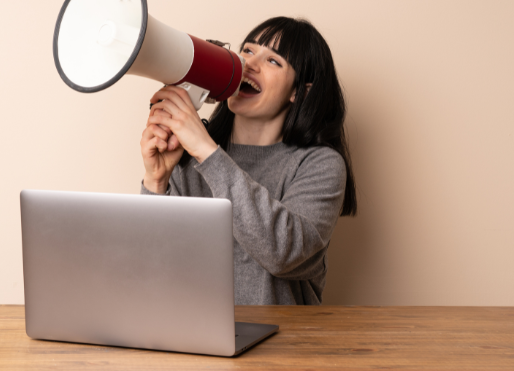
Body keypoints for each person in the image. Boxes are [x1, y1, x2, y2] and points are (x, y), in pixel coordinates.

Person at [139, 16, 357, 305]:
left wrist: (207, 151)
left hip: (285, 346)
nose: (249, 64)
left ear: (299, 91)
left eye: (273, 61)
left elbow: (282, 253)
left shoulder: (320, 165)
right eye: (248, 51)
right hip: (194, 342)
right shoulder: (189, 157)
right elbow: (152, 265)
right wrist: (156, 180)